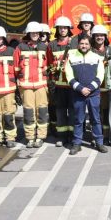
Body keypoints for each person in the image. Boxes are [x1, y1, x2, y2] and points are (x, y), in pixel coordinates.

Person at [66, 35, 106, 154]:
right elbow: (69, 76)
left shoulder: (97, 57)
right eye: (82, 43)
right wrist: (80, 89)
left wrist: (89, 88)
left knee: (96, 119)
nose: (84, 46)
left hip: (93, 94)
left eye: (86, 44)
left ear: (90, 45)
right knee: (78, 119)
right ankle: (77, 143)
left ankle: (99, 143)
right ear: (78, 44)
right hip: (78, 94)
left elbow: (100, 76)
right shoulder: (71, 57)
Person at [14, 22, 50, 148]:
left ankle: (40, 136)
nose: (35, 35)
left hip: (41, 85)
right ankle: (30, 137)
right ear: (28, 33)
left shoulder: (45, 47)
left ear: (40, 34)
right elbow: (16, 68)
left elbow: (49, 65)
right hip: (26, 86)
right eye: (32, 33)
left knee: (42, 111)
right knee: (28, 112)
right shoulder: (20, 48)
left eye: (37, 33)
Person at [48, 16, 75, 148]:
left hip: (72, 85)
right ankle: (62, 137)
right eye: (60, 28)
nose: (63, 30)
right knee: (60, 112)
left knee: (73, 111)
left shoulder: (74, 43)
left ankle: (72, 136)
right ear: (57, 29)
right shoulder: (52, 45)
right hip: (58, 86)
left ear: (69, 29)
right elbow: (48, 64)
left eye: (65, 28)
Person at [91, 25, 111, 143]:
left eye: (102, 35)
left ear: (105, 37)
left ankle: (105, 135)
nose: (99, 38)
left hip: (106, 87)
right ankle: (96, 136)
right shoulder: (90, 50)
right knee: (94, 112)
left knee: (105, 111)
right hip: (93, 86)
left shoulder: (110, 50)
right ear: (93, 37)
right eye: (97, 35)